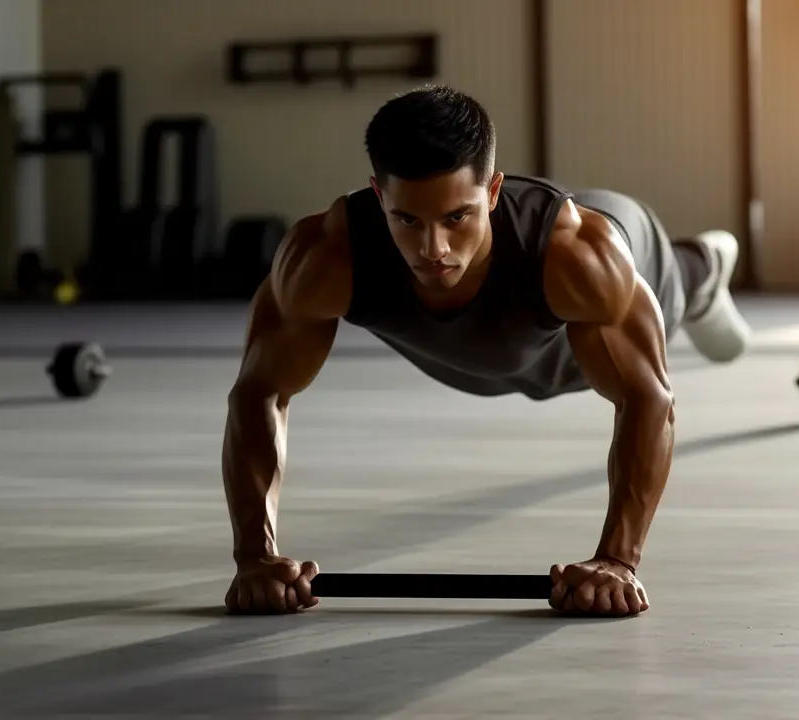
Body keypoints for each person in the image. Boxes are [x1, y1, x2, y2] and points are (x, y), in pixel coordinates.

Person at [221, 85, 751, 618]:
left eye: (457, 217)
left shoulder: (578, 257)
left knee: (677, 284)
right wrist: (255, 557)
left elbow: (648, 399)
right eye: (408, 220)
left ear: (493, 191)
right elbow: (258, 393)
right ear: (379, 197)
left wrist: (617, 560)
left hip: (604, 271)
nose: (434, 250)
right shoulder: (323, 259)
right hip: (496, 352)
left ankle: (708, 263)